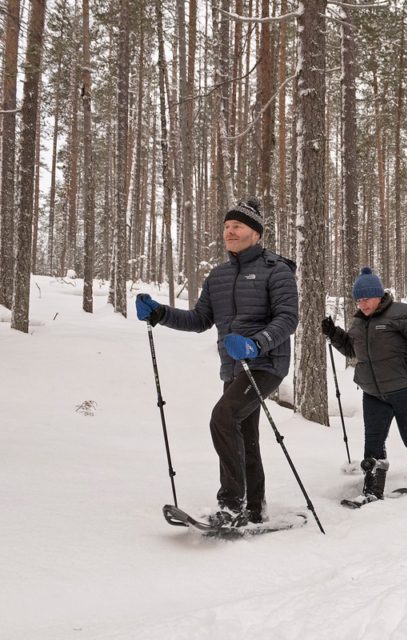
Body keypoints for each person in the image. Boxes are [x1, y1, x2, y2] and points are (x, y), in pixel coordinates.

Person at [135, 197, 299, 527]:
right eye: (226, 227)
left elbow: (288, 318)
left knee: (223, 417)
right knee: (243, 433)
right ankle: (254, 508)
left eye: (237, 226)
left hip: (266, 364)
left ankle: (232, 505)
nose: (229, 232)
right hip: (233, 366)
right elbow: (199, 319)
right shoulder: (219, 275)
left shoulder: (276, 270)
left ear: (255, 232)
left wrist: (256, 344)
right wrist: (160, 313)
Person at [321, 267, 407, 501]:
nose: (362, 304)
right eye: (358, 300)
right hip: (374, 394)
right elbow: (351, 350)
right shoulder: (358, 323)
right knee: (373, 442)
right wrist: (334, 334)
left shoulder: (401, 313)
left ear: (379, 295)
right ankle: (372, 492)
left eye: (366, 299)